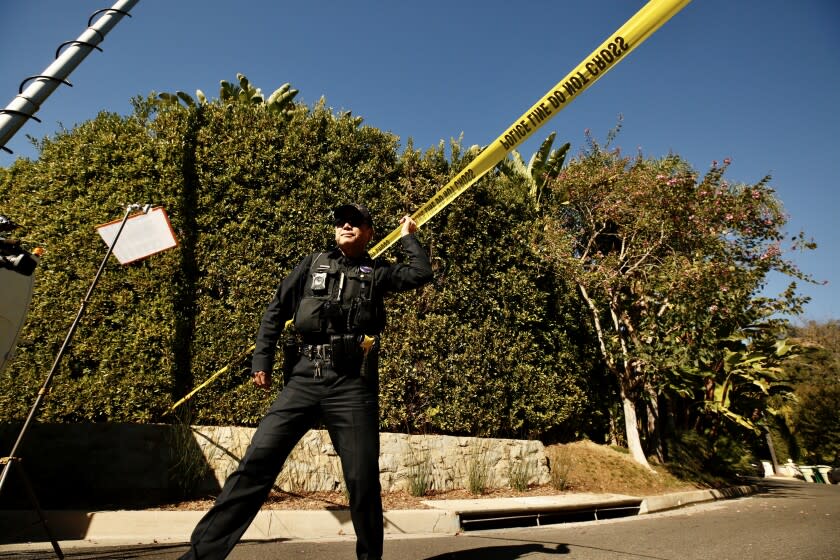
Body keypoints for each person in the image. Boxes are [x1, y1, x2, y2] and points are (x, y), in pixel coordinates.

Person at [180, 203, 433, 560]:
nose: (346, 225)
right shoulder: (313, 264)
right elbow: (276, 310)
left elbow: (420, 273)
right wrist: (261, 358)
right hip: (303, 378)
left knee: (362, 482)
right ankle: (199, 557)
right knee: (255, 465)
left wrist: (409, 238)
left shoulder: (377, 272)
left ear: (369, 232)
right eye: (341, 221)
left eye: (355, 222)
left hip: (351, 385)